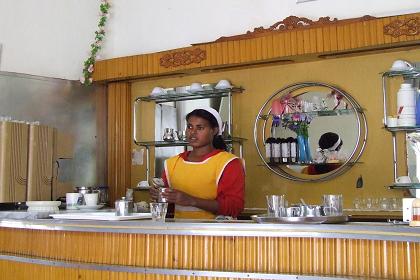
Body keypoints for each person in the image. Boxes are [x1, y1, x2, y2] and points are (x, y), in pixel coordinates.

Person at [150, 107, 245, 219]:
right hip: (178, 232)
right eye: (190, 127)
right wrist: (159, 197)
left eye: (200, 128)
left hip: (215, 233)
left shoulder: (228, 163)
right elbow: (169, 208)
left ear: (214, 131)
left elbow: (235, 206)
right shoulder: (172, 163)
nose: (193, 132)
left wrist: (191, 201)